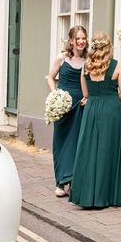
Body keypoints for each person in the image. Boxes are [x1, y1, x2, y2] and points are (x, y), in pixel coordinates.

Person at [69, 32, 121, 208]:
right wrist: (111, 98)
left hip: (92, 110)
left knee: (90, 151)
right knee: (109, 151)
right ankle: (109, 196)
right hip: (111, 111)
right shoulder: (117, 66)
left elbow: (85, 94)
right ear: (109, 47)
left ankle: (88, 195)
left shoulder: (86, 67)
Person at [47, 25, 88, 197]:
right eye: (77, 38)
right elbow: (50, 77)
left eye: (83, 38)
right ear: (71, 41)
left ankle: (73, 181)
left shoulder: (89, 60)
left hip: (81, 105)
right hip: (63, 106)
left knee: (78, 144)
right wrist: (55, 95)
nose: (80, 41)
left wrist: (88, 97)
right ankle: (60, 183)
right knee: (61, 143)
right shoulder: (62, 58)